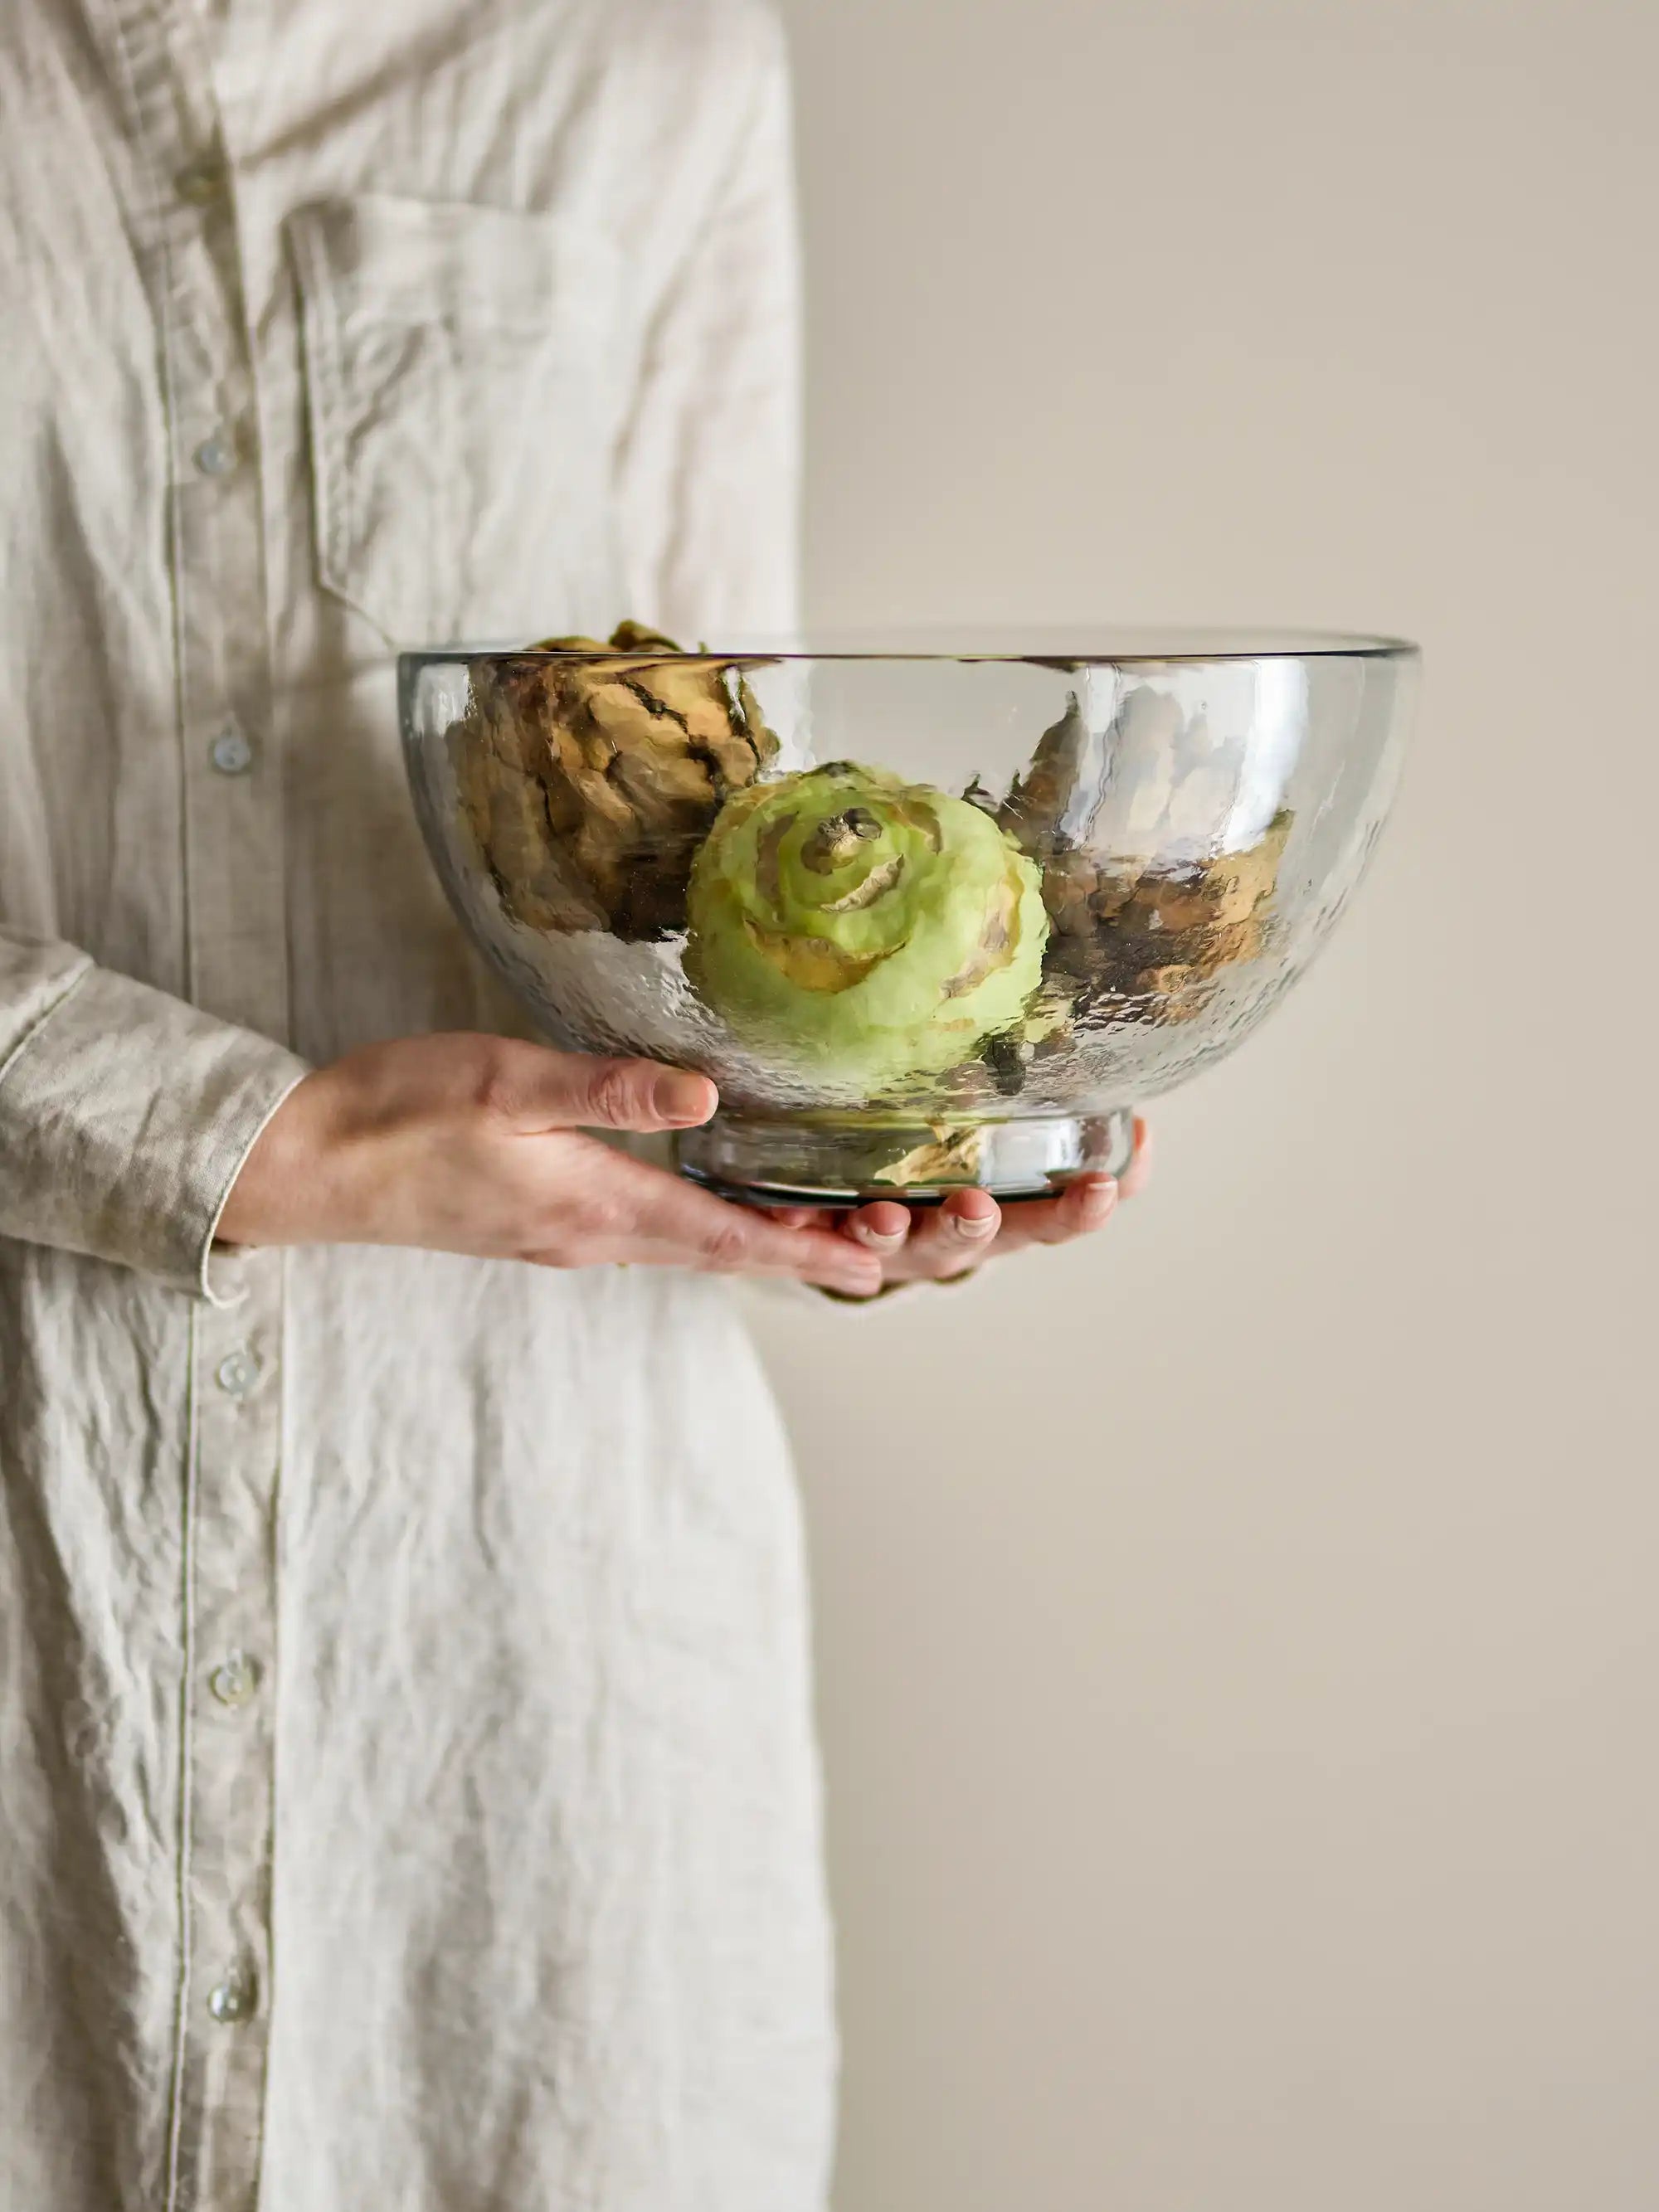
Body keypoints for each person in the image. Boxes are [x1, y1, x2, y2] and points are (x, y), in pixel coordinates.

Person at [0, 1, 1146, 2205]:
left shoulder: (652, 62)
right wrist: (243, 1137)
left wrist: (850, 1139)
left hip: (526, 1659)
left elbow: (708, 869)